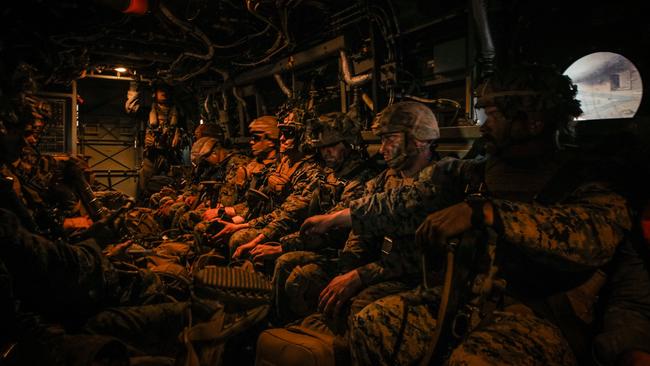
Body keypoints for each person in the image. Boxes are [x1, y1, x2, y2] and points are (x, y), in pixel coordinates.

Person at [303, 64, 632, 365]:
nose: (484, 126)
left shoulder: (587, 181)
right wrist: (337, 218)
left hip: (535, 313)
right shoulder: (472, 174)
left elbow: (591, 237)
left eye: (493, 115)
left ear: (531, 120)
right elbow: (407, 202)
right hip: (467, 299)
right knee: (371, 324)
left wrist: (488, 212)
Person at [294, 101, 441, 334]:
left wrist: (360, 276)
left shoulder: (439, 180)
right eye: (381, 140)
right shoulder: (384, 180)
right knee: (309, 279)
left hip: (418, 275)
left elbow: (419, 259)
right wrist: (345, 270)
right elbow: (361, 236)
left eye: (389, 139)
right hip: (384, 267)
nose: (382, 149)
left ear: (419, 139)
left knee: (362, 305)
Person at [254, 111, 381, 322]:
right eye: (322, 148)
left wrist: (284, 246)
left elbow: (334, 228)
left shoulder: (362, 178)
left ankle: (283, 324)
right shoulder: (330, 174)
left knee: (289, 264)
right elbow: (300, 204)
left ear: (350, 144)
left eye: (332, 146)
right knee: (282, 260)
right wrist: (265, 235)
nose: (325, 153)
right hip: (327, 247)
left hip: (348, 254)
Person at [211, 108, 322, 260]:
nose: (281, 139)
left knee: (239, 239)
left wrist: (252, 234)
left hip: (290, 229)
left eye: (288, 133)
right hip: (270, 221)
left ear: (305, 136)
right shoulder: (281, 164)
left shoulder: (311, 171)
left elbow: (288, 216)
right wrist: (239, 221)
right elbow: (259, 203)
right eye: (281, 133)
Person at [125, 80, 185, 201]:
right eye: (161, 90)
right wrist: (134, 88)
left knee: (177, 183)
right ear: (155, 94)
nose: (164, 93)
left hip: (171, 155)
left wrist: (180, 135)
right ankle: (142, 206)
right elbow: (130, 108)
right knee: (144, 181)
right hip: (152, 154)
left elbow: (187, 129)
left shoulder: (178, 113)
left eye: (167, 90)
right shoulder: (148, 111)